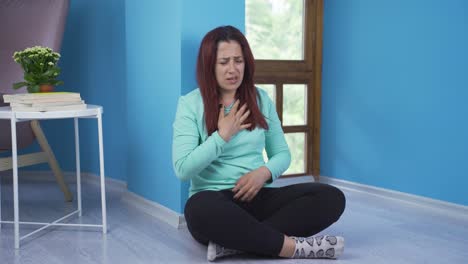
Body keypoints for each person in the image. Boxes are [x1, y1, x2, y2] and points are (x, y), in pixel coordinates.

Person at [172, 25, 346, 261]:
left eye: (238, 61)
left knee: (331, 197)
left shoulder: (260, 99)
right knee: (197, 210)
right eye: (224, 62)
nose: (233, 69)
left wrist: (263, 174)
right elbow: (183, 169)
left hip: (257, 195)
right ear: (209, 65)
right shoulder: (190, 104)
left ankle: (236, 244)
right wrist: (222, 136)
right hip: (213, 199)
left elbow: (282, 154)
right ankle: (292, 248)